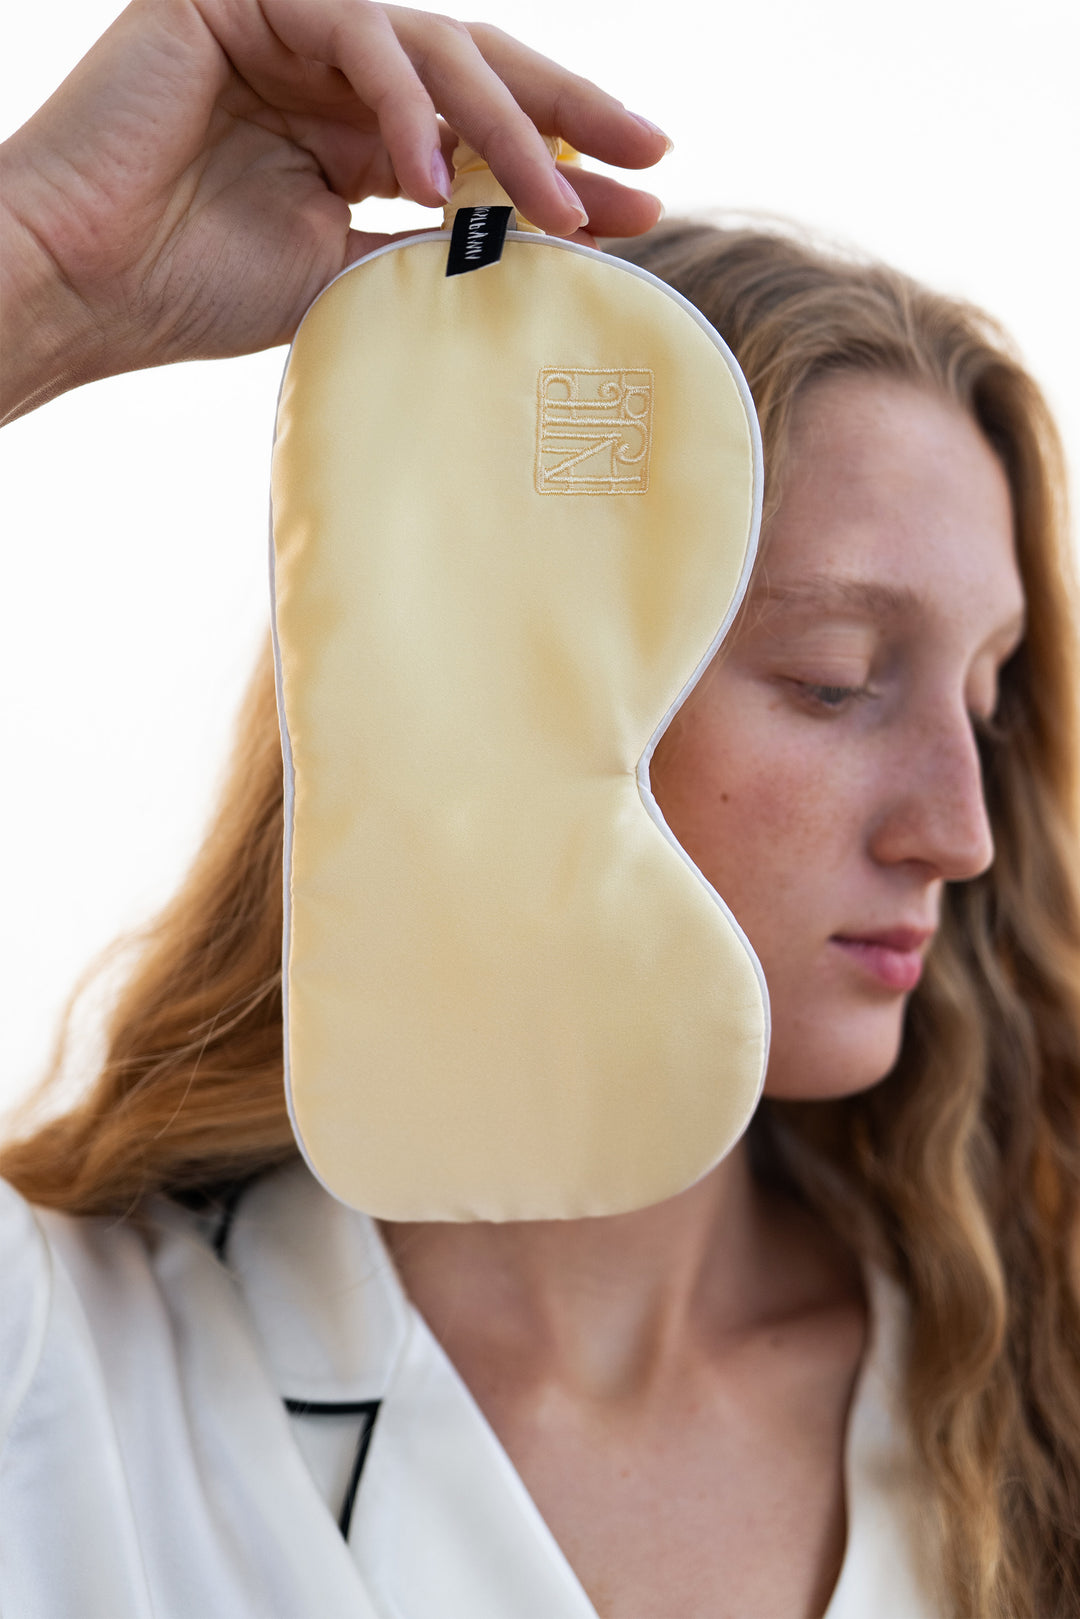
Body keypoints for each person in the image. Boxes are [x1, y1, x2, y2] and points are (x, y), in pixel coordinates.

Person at [2, 4, 1079, 1617]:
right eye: (839, 679)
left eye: (989, 700)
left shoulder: (1031, 1387)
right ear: (482, 686)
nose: (963, 832)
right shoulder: (68, 1381)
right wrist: (43, 269)